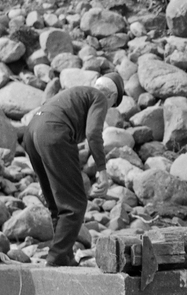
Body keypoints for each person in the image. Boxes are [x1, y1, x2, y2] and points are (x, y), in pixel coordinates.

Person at [24, 74, 121, 265]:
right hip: (53, 133)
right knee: (75, 204)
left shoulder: (76, 93)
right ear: (111, 97)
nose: (106, 110)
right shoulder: (99, 97)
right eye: (111, 107)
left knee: (57, 204)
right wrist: (102, 170)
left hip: (32, 133)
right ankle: (57, 259)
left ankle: (64, 256)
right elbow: (93, 133)